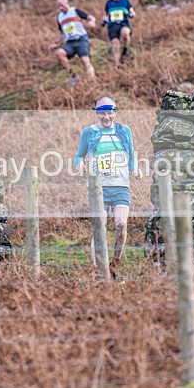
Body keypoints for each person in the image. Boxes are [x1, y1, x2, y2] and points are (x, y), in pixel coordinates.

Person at [74, 97, 141, 280]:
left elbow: (132, 154)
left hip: (120, 186)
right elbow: (78, 155)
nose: (106, 117)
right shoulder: (89, 132)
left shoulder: (123, 130)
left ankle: (115, 264)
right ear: (97, 114)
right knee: (100, 227)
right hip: (98, 189)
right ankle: (99, 269)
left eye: (109, 113)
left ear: (115, 112)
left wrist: (135, 169)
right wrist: (79, 164)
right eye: (102, 113)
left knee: (121, 224)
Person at [49, 0, 97, 87]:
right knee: (59, 53)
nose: (60, 8)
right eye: (58, 6)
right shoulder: (60, 17)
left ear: (66, 3)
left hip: (81, 40)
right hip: (70, 43)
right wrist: (55, 43)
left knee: (85, 61)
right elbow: (61, 32)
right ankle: (74, 76)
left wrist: (92, 22)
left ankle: (93, 83)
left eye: (61, 5)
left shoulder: (75, 11)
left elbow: (89, 17)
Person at [102, 0, 135, 67]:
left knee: (125, 33)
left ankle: (125, 51)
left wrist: (131, 14)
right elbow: (105, 15)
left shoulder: (125, 1)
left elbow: (132, 11)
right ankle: (117, 64)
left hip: (123, 23)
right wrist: (104, 21)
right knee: (115, 44)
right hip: (112, 26)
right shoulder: (108, 3)